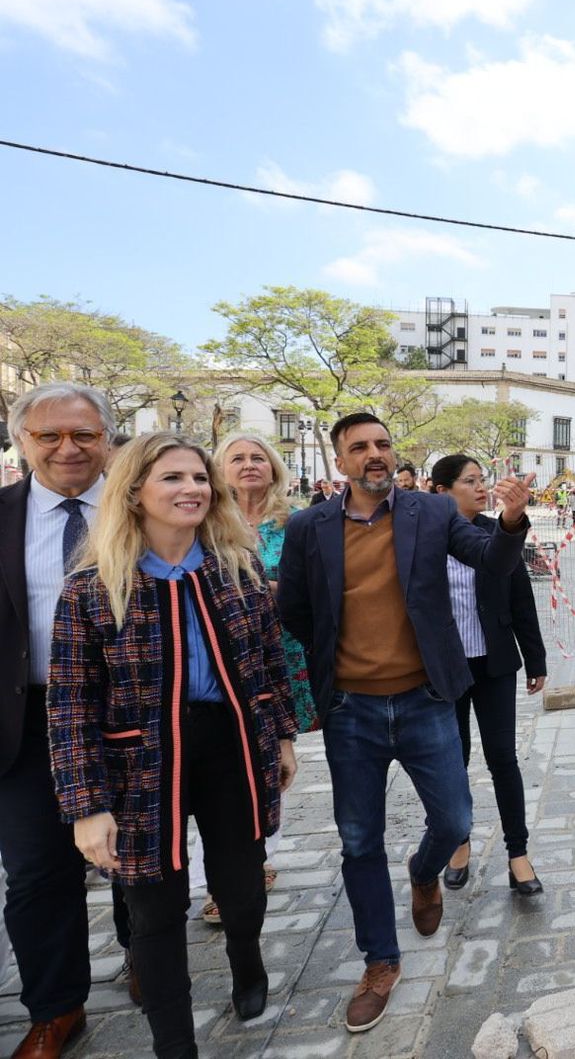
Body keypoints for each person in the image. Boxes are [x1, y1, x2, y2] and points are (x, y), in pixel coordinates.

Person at [277, 411, 533, 1034]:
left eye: (384, 444)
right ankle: (380, 962)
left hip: (425, 699)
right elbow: (295, 610)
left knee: (455, 820)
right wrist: (342, 662)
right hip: (351, 710)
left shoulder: (432, 512)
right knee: (359, 840)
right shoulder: (308, 527)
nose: (375, 454)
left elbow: (490, 560)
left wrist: (510, 520)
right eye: (360, 446)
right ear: (340, 461)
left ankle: (423, 873)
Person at [47, 432, 299, 1059]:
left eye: (199, 478)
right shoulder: (90, 588)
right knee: (154, 907)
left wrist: (282, 735)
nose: (192, 489)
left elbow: (270, 661)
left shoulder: (236, 569)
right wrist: (86, 806)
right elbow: (69, 703)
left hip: (232, 745)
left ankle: (246, 959)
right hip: (138, 760)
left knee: (241, 883)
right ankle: (174, 1041)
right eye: (173, 478)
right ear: (134, 493)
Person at [0, 383, 112, 1058]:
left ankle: (148, 959)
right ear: (23, 440)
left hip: (127, 716)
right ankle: (56, 1007)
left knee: (138, 859)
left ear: (106, 439)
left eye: (83, 434)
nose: (67, 448)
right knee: (36, 873)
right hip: (24, 724)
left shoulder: (142, 507)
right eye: (49, 435)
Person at [192, 433, 317, 927]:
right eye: (237, 458)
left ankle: (257, 856)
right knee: (224, 761)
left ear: (274, 467)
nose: (249, 465)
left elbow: (317, 584)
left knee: (271, 758)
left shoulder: (297, 522)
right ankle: (223, 872)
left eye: (258, 457)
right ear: (219, 469)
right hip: (224, 658)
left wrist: (267, 589)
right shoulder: (205, 521)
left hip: (285, 652)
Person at [427, 456, 548, 896]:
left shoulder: (498, 535)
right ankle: (459, 842)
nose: (481, 488)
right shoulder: (422, 540)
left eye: (483, 480)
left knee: (503, 759)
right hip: (445, 670)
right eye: (469, 481)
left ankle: (518, 853)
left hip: (494, 664)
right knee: (452, 761)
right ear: (441, 491)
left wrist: (535, 660)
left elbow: (521, 600)